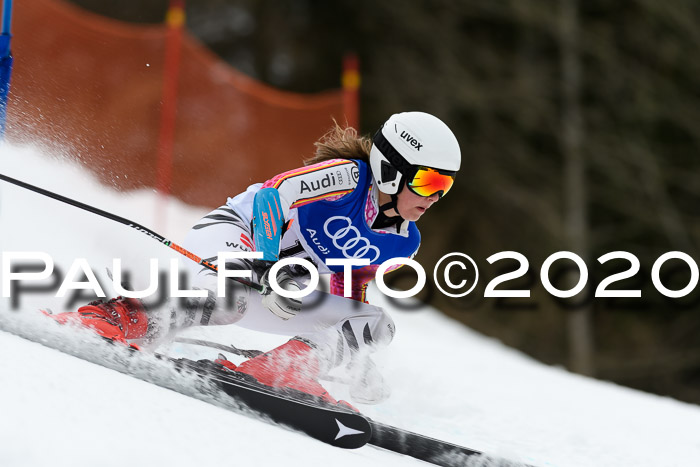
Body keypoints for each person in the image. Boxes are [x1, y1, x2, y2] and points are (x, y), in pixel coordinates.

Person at [48, 111, 461, 406]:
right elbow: (271, 197)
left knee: (376, 323)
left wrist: (351, 355)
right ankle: (114, 317)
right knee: (231, 299)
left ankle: (284, 372)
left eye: (446, 186)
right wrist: (264, 265)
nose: (436, 196)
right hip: (233, 237)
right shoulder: (347, 177)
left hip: (278, 283)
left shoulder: (405, 242)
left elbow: (350, 284)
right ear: (391, 169)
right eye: (429, 181)